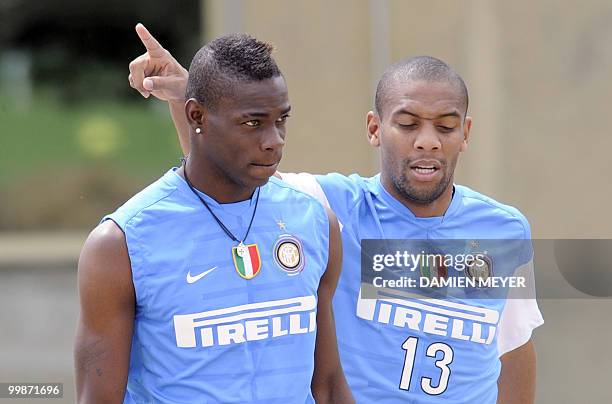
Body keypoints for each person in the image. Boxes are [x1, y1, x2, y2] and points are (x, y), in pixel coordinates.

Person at [128, 25, 544, 403]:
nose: (428, 142)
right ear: (375, 129)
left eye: (446, 126)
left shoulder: (503, 229)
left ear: (465, 134)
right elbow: (228, 177)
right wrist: (189, 99)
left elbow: (513, 349)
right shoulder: (327, 207)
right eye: (408, 124)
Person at [75, 29, 354, 404]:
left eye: (280, 120)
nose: (275, 140)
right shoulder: (120, 245)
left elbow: (329, 386)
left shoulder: (315, 220)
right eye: (253, 123)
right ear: (196, 116)